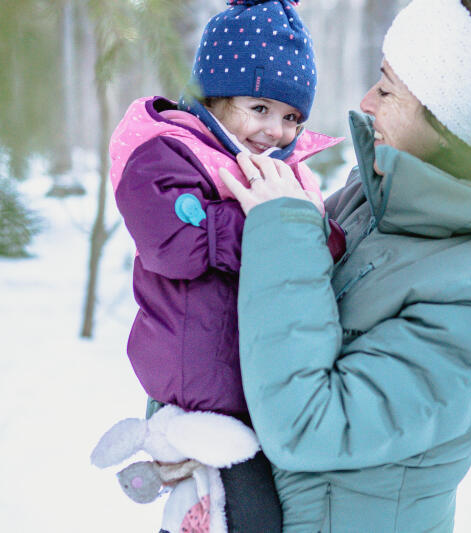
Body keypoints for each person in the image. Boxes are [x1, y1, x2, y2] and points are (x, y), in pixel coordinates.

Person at [218, 0, 471, 531]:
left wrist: (283, 227)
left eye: (387, 89)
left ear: (452, 120)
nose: (365, 101)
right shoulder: (381, 192)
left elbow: (308, 426)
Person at [107, 1, 344, 531]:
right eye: (259, 108)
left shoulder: (281, 171)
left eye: (291, 117)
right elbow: (173, 243)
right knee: (248, 511)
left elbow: (323, 247)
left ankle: (176, 483)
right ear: (214, 95)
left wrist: (304, 230)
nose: (276, 131)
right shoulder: (166, 151)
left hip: (255, 380)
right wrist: (273, 224)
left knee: (223, 504)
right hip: (202, 382)